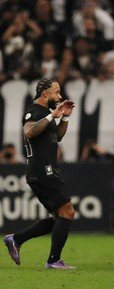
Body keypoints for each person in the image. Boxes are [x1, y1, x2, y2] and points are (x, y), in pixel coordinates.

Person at [3, 79, 76, 270]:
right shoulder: (34, 111)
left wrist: (65, 118)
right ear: (45, 94)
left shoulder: (46, 114)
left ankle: (16, 239)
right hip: (42, 170)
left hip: (46, 170)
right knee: (67, 212)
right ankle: (53, 261)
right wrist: (53, 116)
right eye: (57, 92)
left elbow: (57, 136)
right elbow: (29, 132)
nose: (60, 97)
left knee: (59, 218)